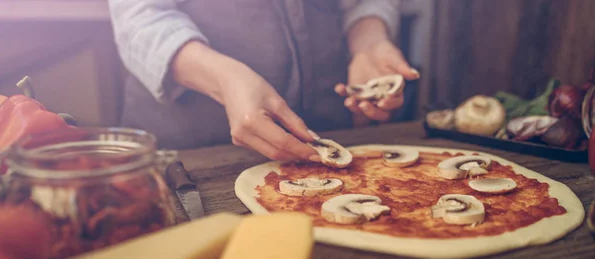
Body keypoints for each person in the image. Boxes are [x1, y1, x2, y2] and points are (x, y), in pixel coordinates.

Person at [108, 0, 419, 161]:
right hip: (188, 152)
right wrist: (224, 79)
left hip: (332, 131)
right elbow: (140, 15)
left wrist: (369, 42)